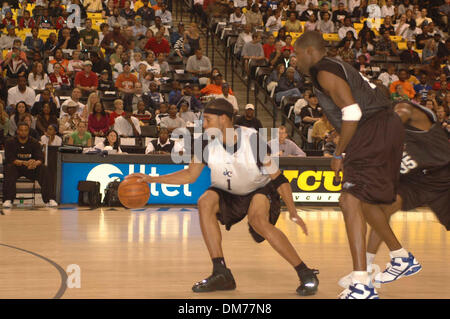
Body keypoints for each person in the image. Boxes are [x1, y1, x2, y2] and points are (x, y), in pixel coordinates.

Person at [127, 98, 319, 295]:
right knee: (205, 202)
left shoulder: (252, 140)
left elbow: (279, 179)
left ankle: (305, 272)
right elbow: (190, 175)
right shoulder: (203, 143)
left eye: (208, 120)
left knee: (258, 221)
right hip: (228, 192)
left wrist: (293, 212)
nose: (204, 124)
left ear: (224, 119)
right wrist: (152, 179)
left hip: (258, 189)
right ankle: (221, 272)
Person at [295, 31, 418, 299]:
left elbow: (352, 112)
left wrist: (339, 153)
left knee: (350, 200)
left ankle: (362, 283)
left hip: (371, 129)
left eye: (295, 54)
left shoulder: (322, 70)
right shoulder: (338, 65)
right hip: (384, 127)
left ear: (308, 51)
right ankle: (399, 257)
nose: (294, 60)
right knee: (364, 201)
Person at [339, 100, 450, 288]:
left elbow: (402, 111)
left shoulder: (403, 112)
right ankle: (376, 264)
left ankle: (397, 259)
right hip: (414, 180)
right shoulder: (369, 130)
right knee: (373, 205)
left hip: (443, 175)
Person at [3, 122, 58, 208]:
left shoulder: (34, 142)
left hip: (31, 168)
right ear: (17, 131)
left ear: (28, 131)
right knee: (9, 168)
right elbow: (10, 159)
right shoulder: (10, 142)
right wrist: (23, 162)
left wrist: (35, 163)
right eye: (21, 130)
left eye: (25, 130)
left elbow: (40, 158)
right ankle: (8, 199)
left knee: (44, 169)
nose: (23, 132)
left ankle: (50, 199)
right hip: (16, 168)